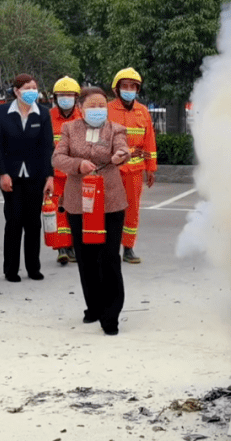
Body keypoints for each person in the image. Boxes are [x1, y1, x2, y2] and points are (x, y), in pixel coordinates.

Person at [52, 87, 131, 335]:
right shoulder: (69, 129)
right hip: (80, 202)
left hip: (110, 201)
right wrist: (78, 164)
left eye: (101, 105)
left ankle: (111, 315)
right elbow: (57, 158)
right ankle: (93, 307)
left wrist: (121, 155)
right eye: (92, 105)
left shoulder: (115, 128)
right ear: (81, 108)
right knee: (86, 258)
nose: (98, 109)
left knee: (109, 257)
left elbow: (123, 149)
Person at [0, 74, 54, 282]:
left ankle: (33, 267)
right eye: (27, 88)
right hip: (11, 176)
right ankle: (11, 269)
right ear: (16, 91)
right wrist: (2, 173)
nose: (31, 91)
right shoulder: (1, 112)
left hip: (35, 176)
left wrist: (49, 176)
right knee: (14, 221)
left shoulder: (42, 114)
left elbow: (47, 148)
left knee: (33, 223)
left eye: (34, 87)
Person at [107, 67, 157, 264]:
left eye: (133, 86)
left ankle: (128, 248)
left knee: (132, 210)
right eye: (125, 86)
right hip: (111, 171)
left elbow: (149, 141)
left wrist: (150, 168)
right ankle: (110, 248)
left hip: (134, 172)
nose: (129, 89)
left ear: (137, 89)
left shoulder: (143, 111)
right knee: (109, 209)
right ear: (117, 89)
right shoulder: (107, 110)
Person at [50, 76, 82, 266]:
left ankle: (73, 247)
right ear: (55, 97)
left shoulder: (84, 117)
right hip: (55, 176)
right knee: (59, 211)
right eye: (62, 95)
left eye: (69, 95)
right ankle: (62, 248)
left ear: (76, 97)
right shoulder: (48, 118)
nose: (65, 98)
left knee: (77, 212)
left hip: (77, 175)